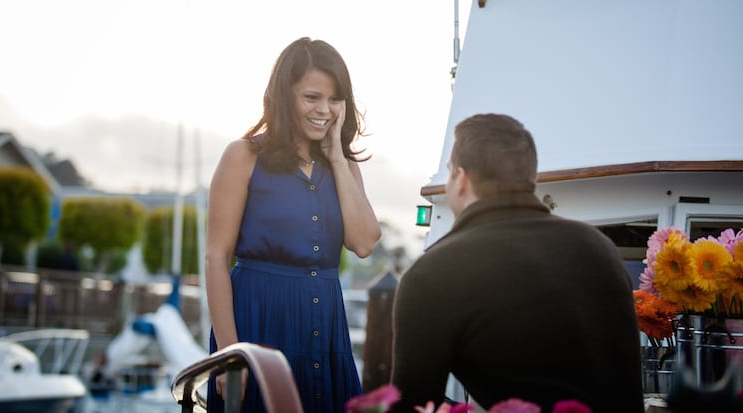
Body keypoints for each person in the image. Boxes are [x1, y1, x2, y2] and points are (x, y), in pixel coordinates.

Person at [390, 113, 644, 413]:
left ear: (461, 179)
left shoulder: (431, 274)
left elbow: (412, 406)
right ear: (529, 180)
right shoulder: (600, 248)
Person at [205, 37, 382, 413]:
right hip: (258, 327)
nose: (325, 110)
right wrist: (227, 354)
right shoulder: (243, 156)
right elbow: (215, 258)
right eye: (312, 97)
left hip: (326, 333)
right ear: (284, 96)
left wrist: (336, 157)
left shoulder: (345, 166)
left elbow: (364, 243)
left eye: (335, 100)